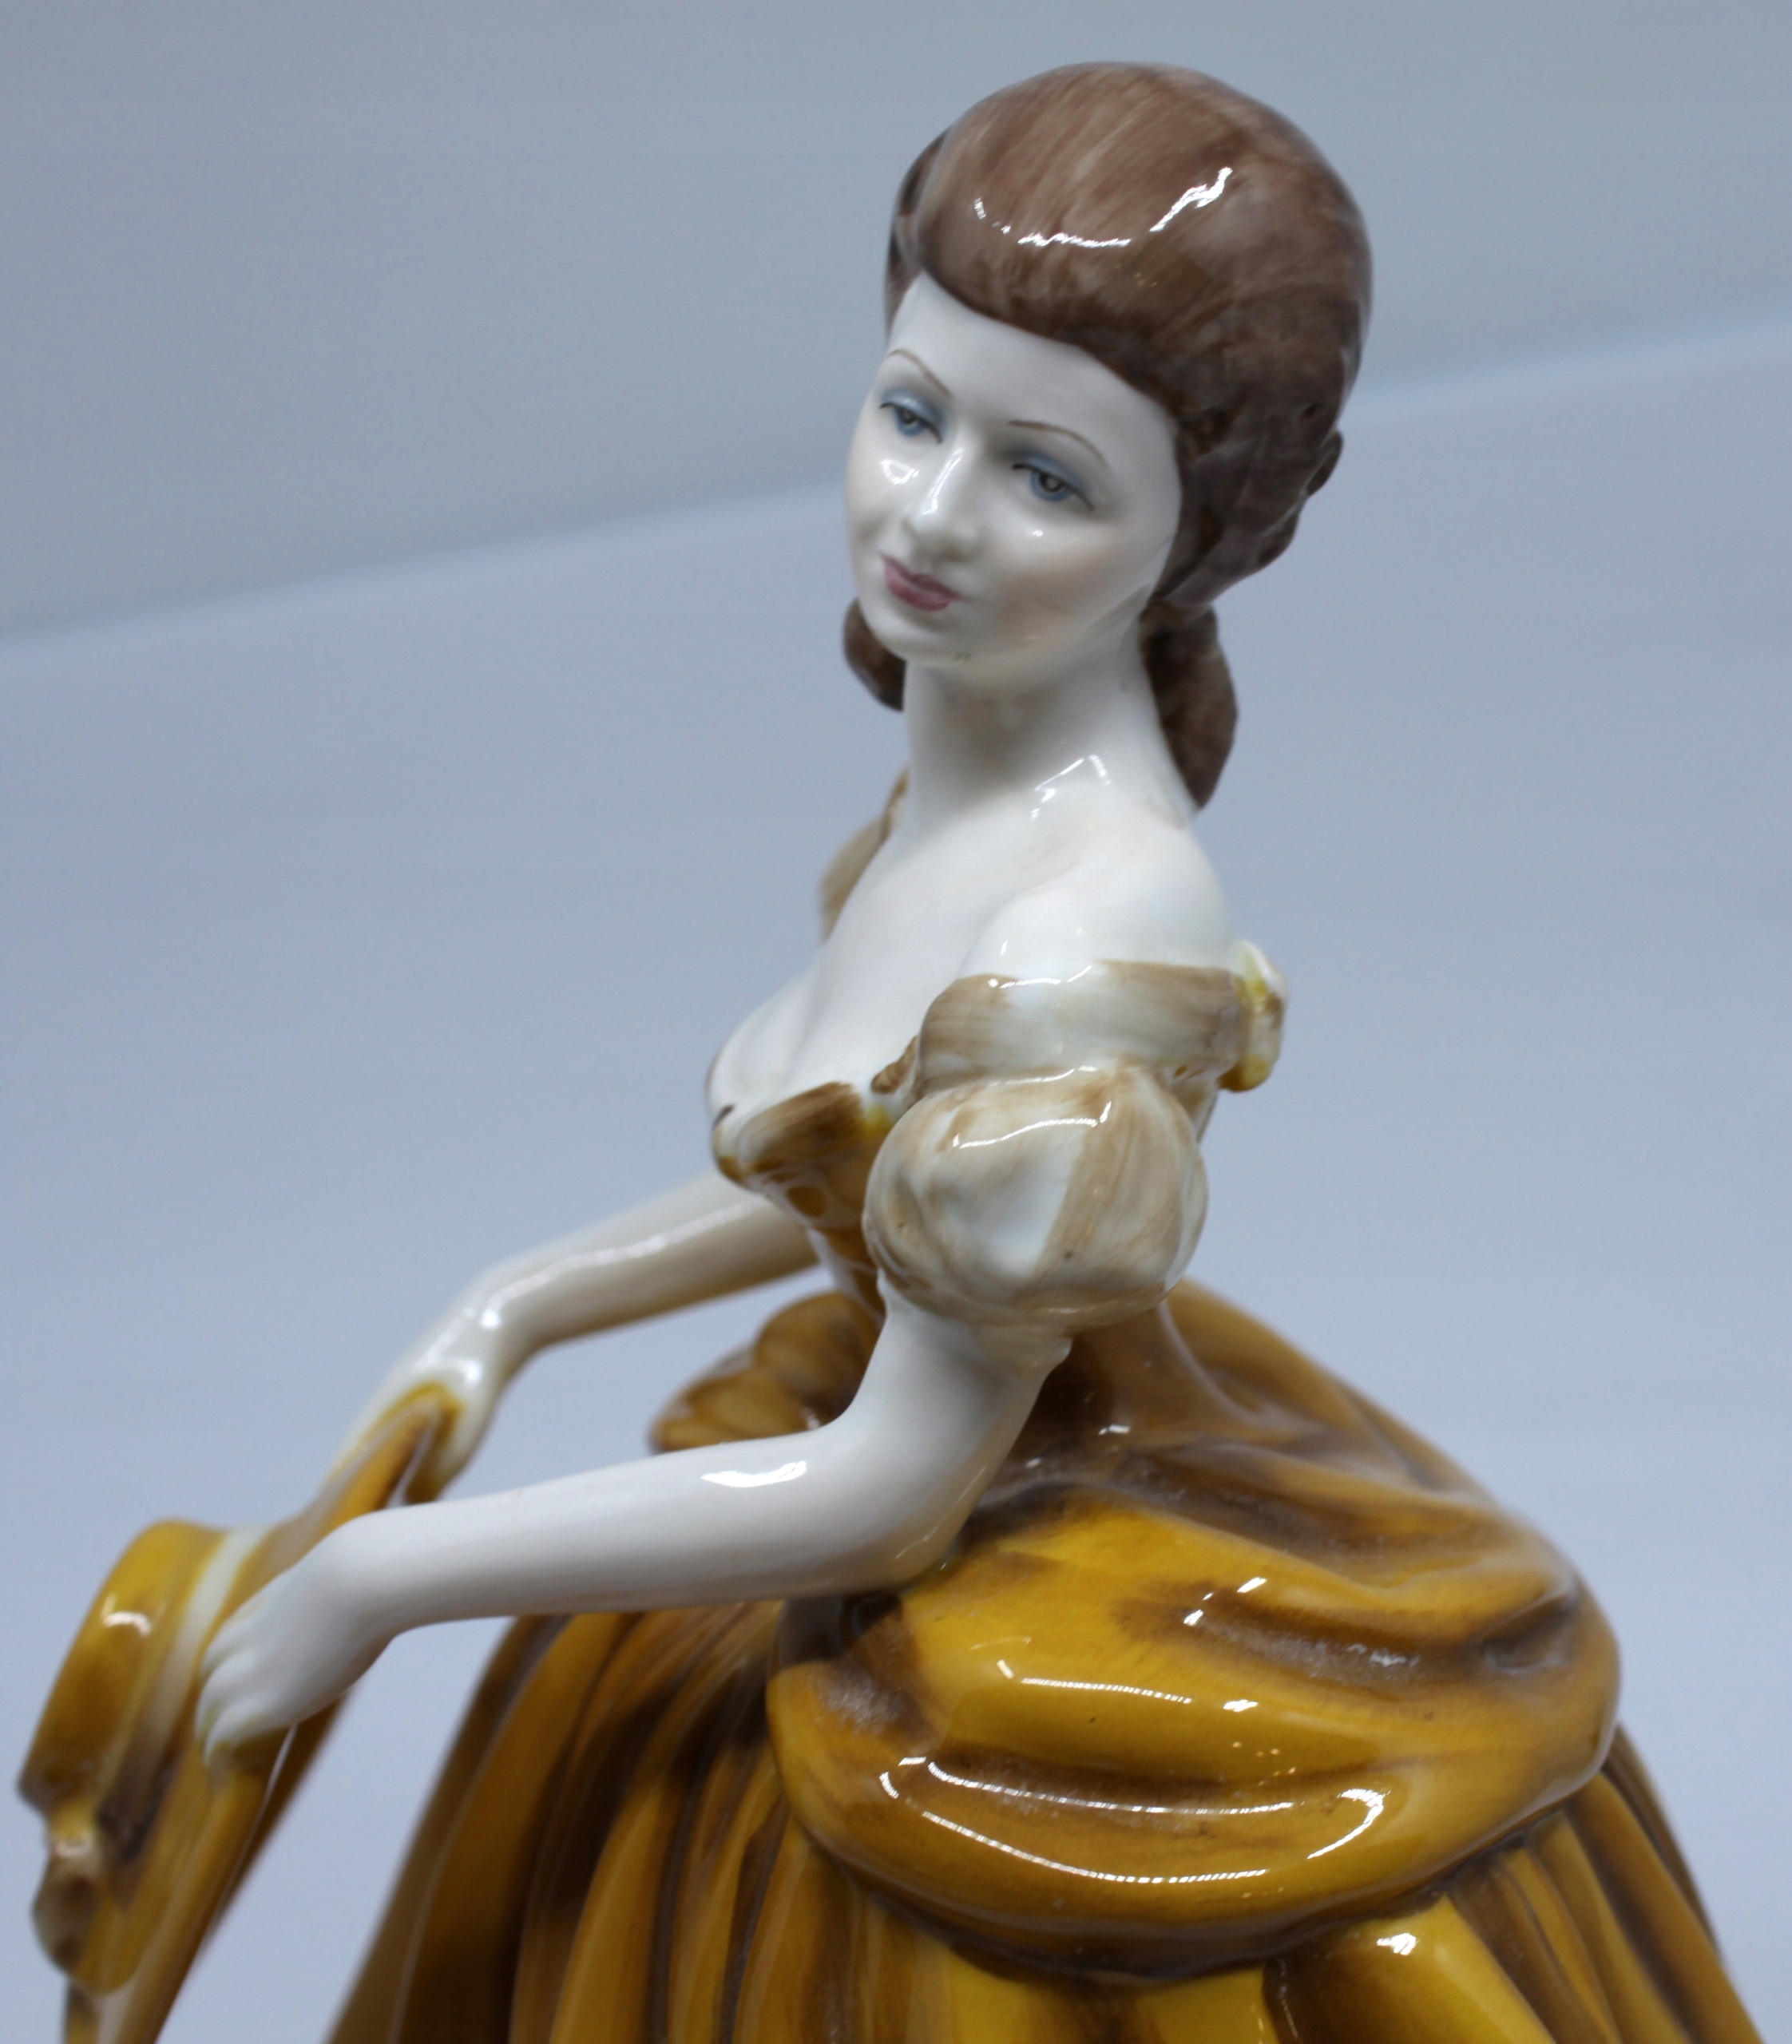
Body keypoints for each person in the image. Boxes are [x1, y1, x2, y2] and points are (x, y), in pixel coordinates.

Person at [30, 63, 1762, 2044]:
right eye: (913, 412)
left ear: (1205, 530)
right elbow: (856, 1189)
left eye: (1049, 477)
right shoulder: (956, 793)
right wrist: (518, 1300)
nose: (930, 514)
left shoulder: (1094, 933)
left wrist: (385, 1578)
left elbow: (888, 1488)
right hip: (874, 1444)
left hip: (996, 1589)